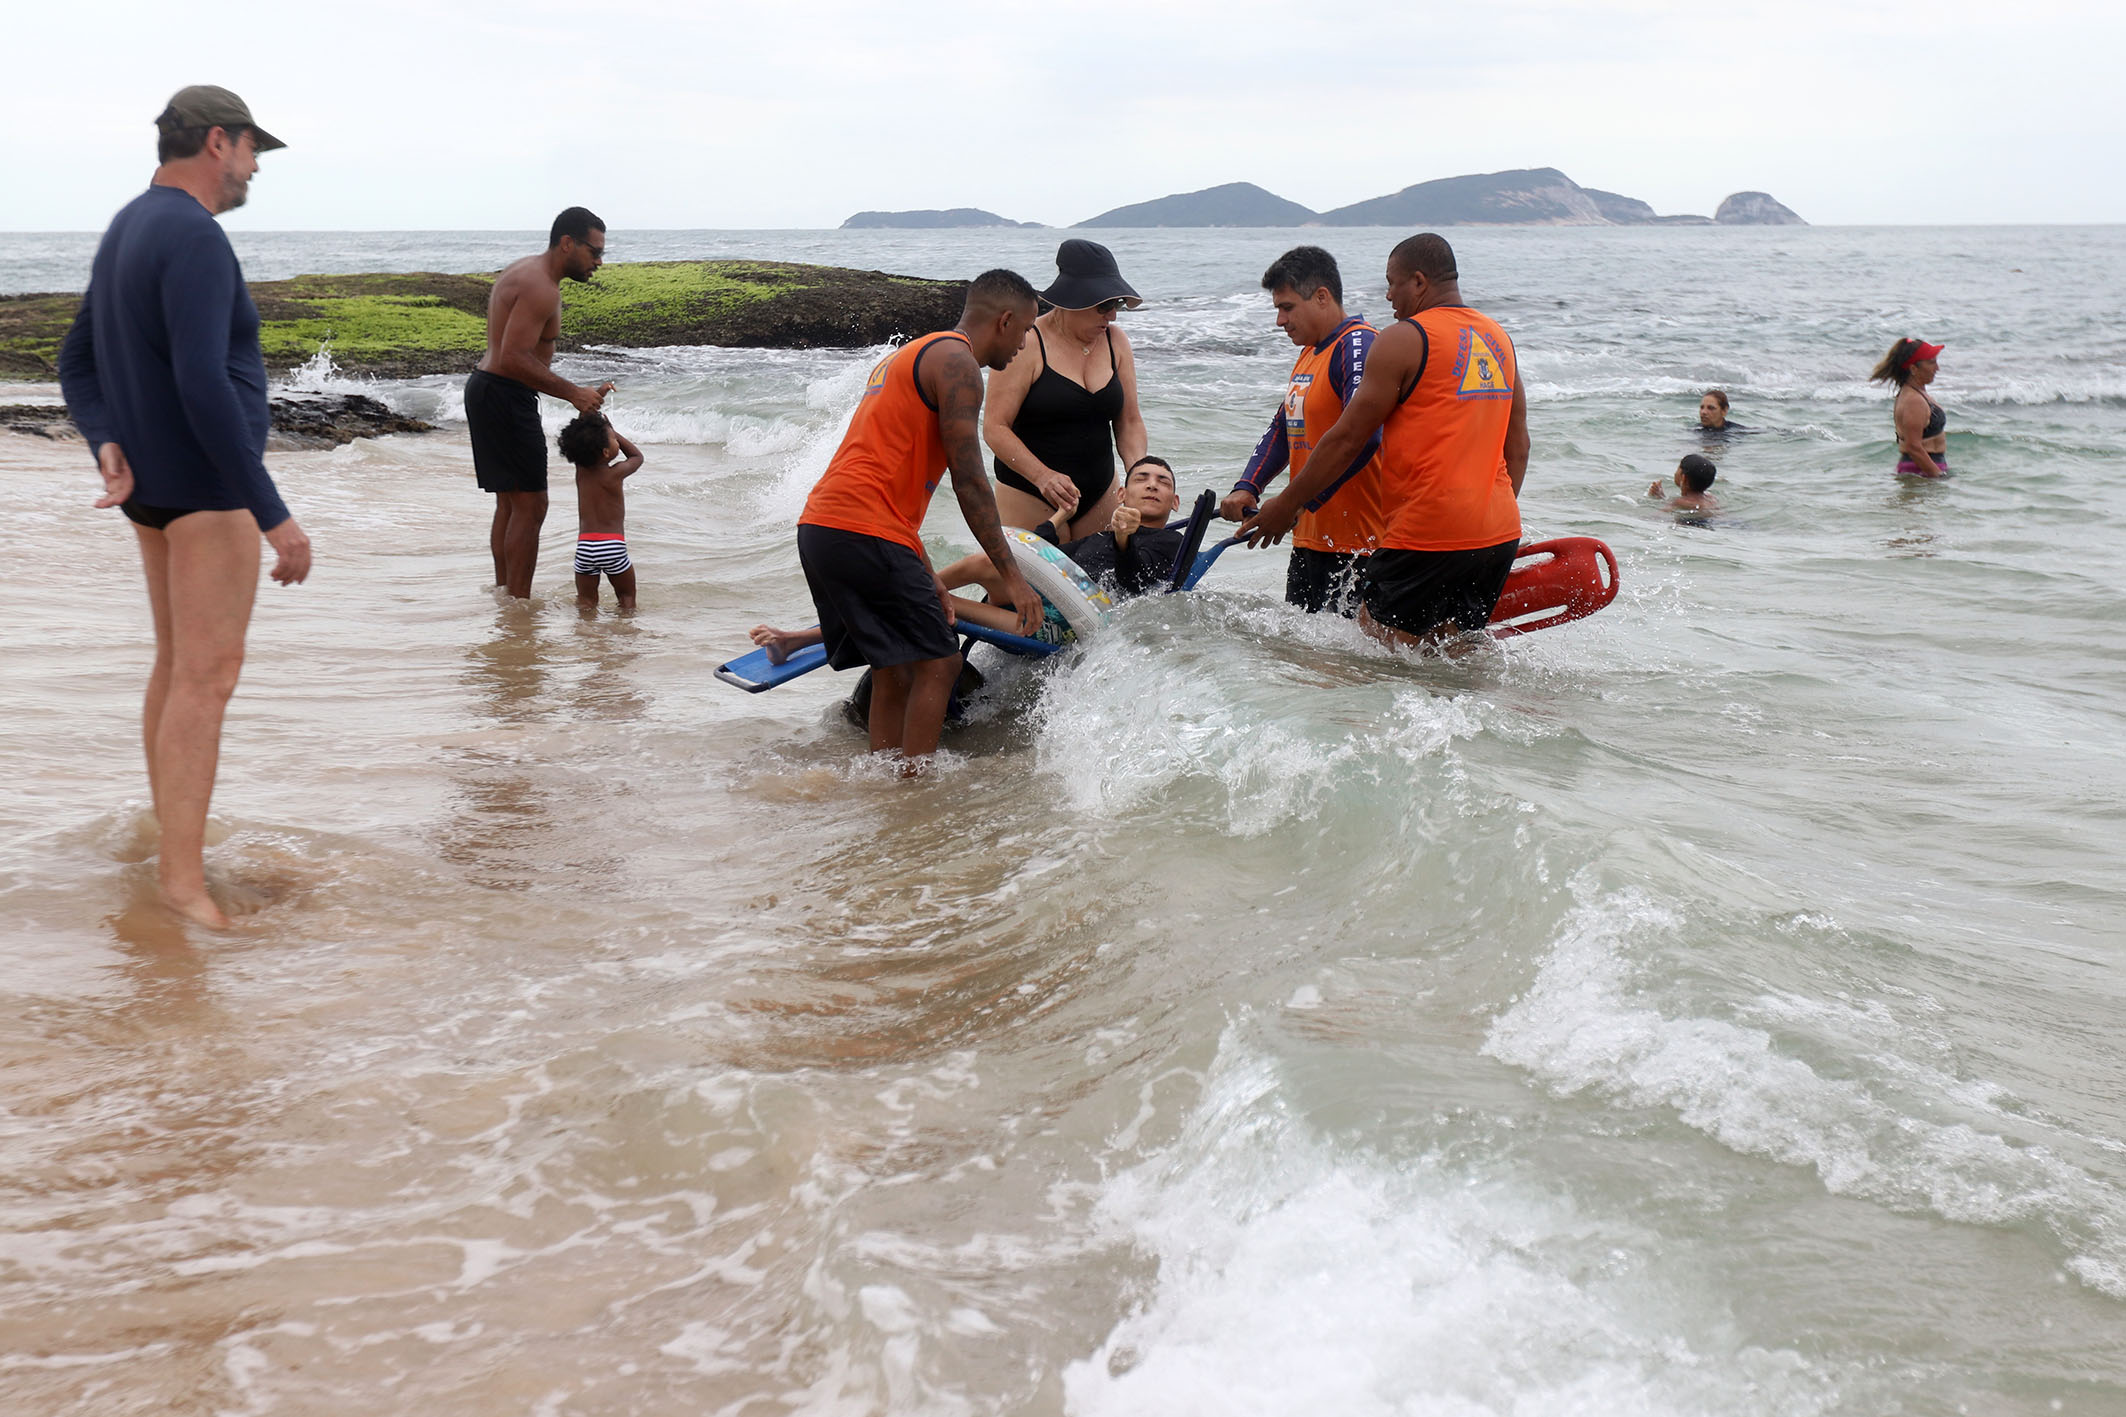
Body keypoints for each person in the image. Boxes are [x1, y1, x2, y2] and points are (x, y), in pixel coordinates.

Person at [56, 85, 313, 929]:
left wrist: (105, 438)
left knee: (176, 669)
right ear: (216, 142)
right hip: (206, 493)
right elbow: (203, 383)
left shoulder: (131, 222)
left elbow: (76, 360)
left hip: (155, 493)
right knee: (209, 678)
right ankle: (183, 883)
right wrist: (270, 511)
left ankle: (169, 850)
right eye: (250, 151)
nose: (253, 169)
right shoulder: (195, 238)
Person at [793, 270, 1044, 769]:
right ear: (1006, 319)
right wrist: (1015, 580)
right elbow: (971, 483)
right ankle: (915, 784)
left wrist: (924, 569)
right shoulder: (958, 362)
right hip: (864, 528)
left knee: (896, 667)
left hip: (825, 526)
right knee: (942, 661)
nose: (1022, 345)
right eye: (1024, 331)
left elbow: (886, 476)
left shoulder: (911, 354)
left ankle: (885, 781)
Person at [1240, 233, 1527, 650]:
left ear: (1419, 281)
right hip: (1497, 533)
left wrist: (1286, 506)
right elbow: (1518, 446)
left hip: (1426, 533)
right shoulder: (1499, 338)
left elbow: (1349, 438)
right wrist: (1486, 521)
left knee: (1373, 657)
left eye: (1392, 282)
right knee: (1453, 658)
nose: (1388, 295)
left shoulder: (1404, 338)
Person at [748, 457, 1184, 674]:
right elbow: (1049, 552)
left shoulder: (1169, 541)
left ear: (1174, 502)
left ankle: (802, 637)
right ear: (1121, 495)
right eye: (1141, 479)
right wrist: (1060, 520)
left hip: (1071, 625)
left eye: (1162, 483)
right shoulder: (1101, 536)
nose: (1151, 486)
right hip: (1044, 599)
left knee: (936, 605)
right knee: (981, 562)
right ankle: (806, 635)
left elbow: (1139, 584)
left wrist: (1126, 540)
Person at [1220, 246, 1385, 615]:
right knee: (1301, 667)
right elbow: (1283, 427)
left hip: (1360, 548)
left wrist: (1295, 504)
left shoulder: (1358, 344)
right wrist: (1248, 486)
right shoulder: (1310, 352)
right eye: (1278, 309)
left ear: (1322, 296)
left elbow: (1363, 439)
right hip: (1311, 541)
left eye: (1287, 307)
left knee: (1349, 670)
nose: (1280, 320)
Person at [467, 207, 615, 599]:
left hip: (487, 390)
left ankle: (505, 598)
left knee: (511, 503)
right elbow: (512, 357)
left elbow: (509, 355)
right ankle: (518, 609)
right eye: (594, 251)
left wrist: (575, 391)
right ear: (568, 243)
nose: (599, 262)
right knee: (531, 506)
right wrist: (574, 393)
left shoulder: (526, 270)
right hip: (504, 394)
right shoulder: (541, 287)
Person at [985, 239, 1148, 540]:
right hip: (1030, 490)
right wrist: (1043, 477)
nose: (1112, 315)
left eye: (1117, 304)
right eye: (1104, 305)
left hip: (1100, 490)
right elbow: (995, 428)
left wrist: (1139, 475)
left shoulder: (1117, 342)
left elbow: (1129, 421)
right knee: (1031, 586)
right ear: (1073, 300)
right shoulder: (1027, 343)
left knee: (1102, 585)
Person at [557, 412, 644, 610]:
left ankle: (587, 635)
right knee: (626, 598)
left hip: (585, 548)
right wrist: (615, 433)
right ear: (606, 452)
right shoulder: (615, 474)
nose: (616, 441)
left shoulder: (581, 472)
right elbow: (637, 457)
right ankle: (626, 634)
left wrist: (594, 420)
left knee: (586, 602)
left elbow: (580, 436)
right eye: (613, 440)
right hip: (613, 547)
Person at [1869, 338, 1948, 477]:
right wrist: (1938, 476)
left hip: (1924, 469)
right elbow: (1913, 447)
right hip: (1920, 471)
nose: (1937, 368)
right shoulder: (1914, 400)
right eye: (1931, 362)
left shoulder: (1917, 393)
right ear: (1913, 368)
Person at [1650, 454, 1718, 512]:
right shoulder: (1711, 498)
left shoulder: (1679, 502)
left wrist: (1659, 498)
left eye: (1678, 469)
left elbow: (1660, 514)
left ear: (1683, 478)